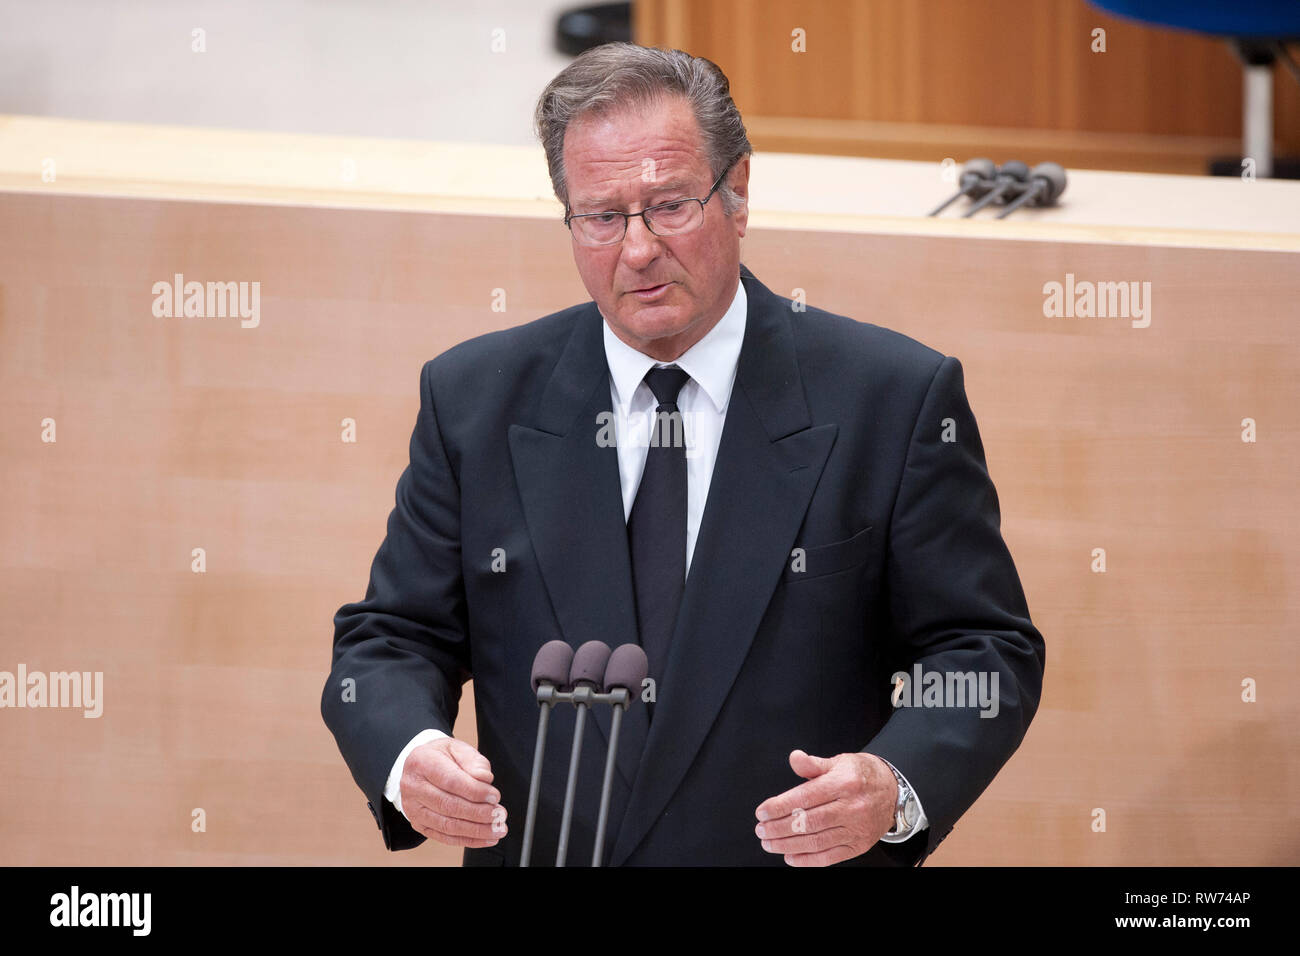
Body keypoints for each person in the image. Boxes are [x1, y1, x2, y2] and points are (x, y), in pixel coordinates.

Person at [322, 42, 1045, 867]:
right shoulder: (475, 399)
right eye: (601, 217)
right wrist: (410, 754)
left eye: (668, 206)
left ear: (737, 192)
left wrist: (895, 779)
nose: (635, 250)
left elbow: (985, 652)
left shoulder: (892, 398)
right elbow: (391, 639)